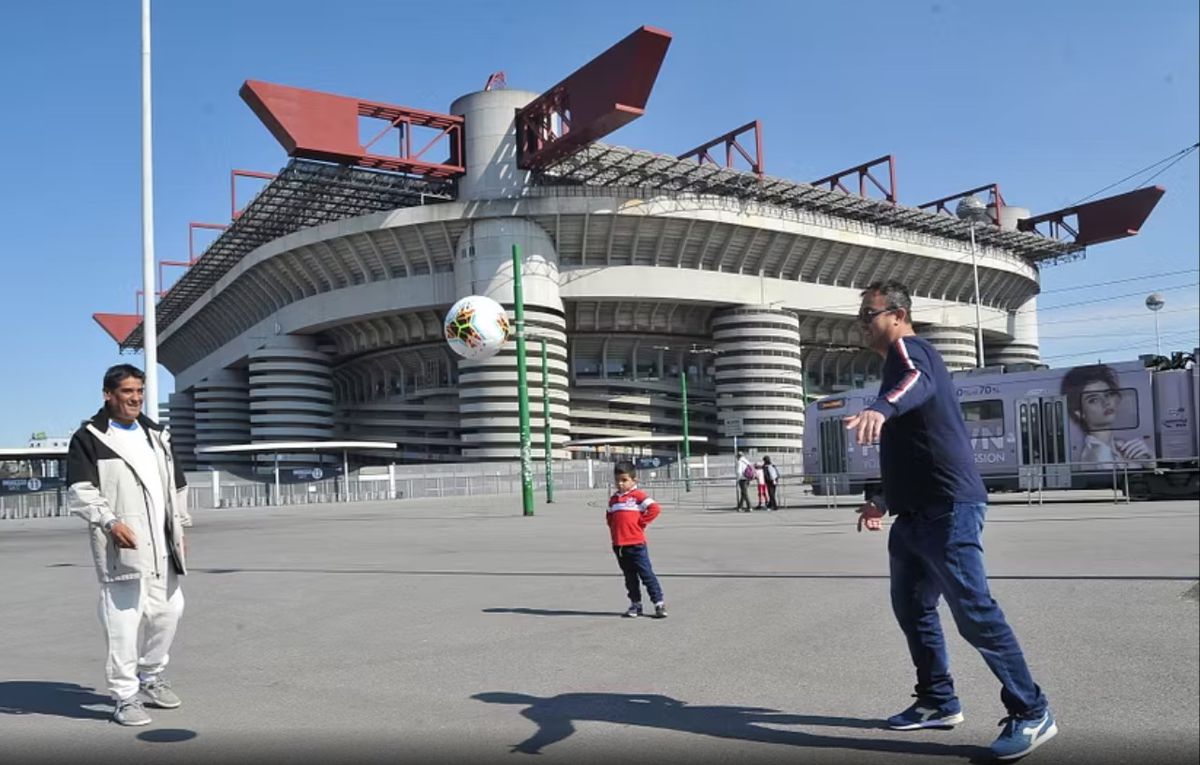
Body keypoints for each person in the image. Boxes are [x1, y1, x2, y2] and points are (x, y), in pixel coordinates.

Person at [843, 281, 1057, 761]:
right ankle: (937, 701)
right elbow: (911, 445)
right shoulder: (893, 363)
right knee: (913, 610)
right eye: (861, 315)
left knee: (975, 611)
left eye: (868, 314)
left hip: (948, 507)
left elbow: (916, 381)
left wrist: (881, 406)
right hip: (914, 513)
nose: (862, 323)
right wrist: (880, 497)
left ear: (897, 313)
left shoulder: (910, 349)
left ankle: (1032, 709)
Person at [66, 364, 192, 727]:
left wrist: (181, 528)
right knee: (123, 622)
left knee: (169, 611)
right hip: (122, 546)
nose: (135, 398)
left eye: (139, 391)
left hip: (163, 545)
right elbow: (80, 491)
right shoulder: (91, 437)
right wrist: (110, 521)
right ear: (108, 394)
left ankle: (150, 675)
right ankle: (124, 696)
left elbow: (177, 487)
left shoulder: (158, 435)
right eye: (127, 392)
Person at [1060, 364, 1153, 469]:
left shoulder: (1119, 445)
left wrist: (1150, 463)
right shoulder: (1095, 455)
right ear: (1079, 413)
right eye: (1093, 400)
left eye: (1108, 394)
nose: (1105, 402)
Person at [607, 461, 666, 618]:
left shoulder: (638, 496)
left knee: (646, 574)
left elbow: (654, 508)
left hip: (636, 544)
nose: (620, 484)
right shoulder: (614, 499)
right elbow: (610, 515)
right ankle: (635, 604)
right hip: (619, 545)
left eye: (624, 480)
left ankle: (658, 603)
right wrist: (614, 530)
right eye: (617, 480)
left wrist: (641, 522)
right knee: (629, 577)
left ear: (634, 480)